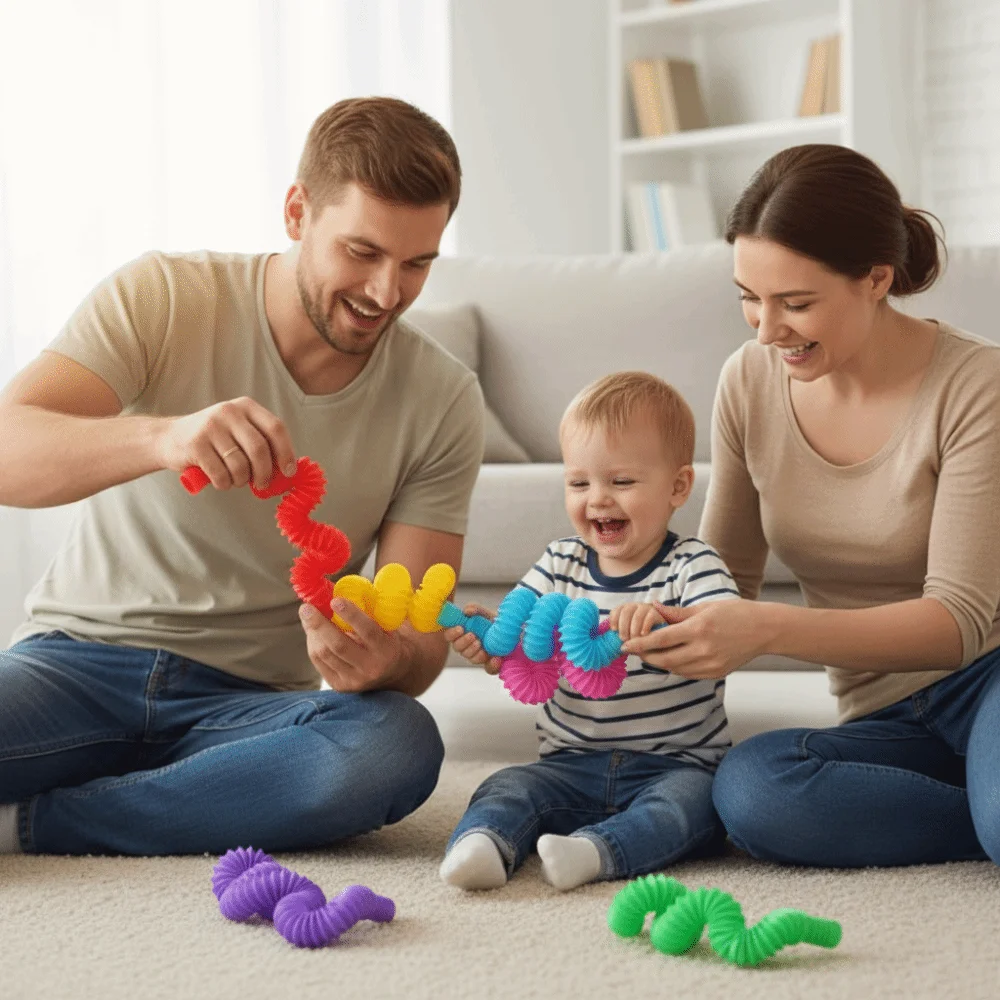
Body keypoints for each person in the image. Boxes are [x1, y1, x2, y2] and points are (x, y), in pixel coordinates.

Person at [0, 97, 486, 856]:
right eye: (362, 252)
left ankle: (33, 824)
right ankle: (187, 805)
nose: (387, 293)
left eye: (417, 263)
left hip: (247, 708)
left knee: (394, 745)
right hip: (72, 666)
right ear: (297, 213)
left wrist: (387, 659)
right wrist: (165, 437)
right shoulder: (164, 296)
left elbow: (420, 640)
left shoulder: (444, 397)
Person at [623, 144, 1000, 868]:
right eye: (748, 298)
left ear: (875, 279)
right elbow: (723, 575)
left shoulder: (975, 387)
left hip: (987, 677)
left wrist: (764, 630)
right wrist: (634, 625)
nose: (766, 331)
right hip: (883, 715)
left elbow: (955, 625)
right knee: (755, 790)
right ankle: (978, 811)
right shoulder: (748, 380)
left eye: (795, 304)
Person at [438, 372, 739, 891]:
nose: (597, 499)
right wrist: (492, 641)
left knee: (694, 810)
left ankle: (595, 853)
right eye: (579, 483)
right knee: (506, 785)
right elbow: (520, 632)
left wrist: (661, 623)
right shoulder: (559, 562)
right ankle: (484, 844)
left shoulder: (693, 566)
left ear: (678, 487)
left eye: (621, 482)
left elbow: (725, 632)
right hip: (569, 763)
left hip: (675, 766)